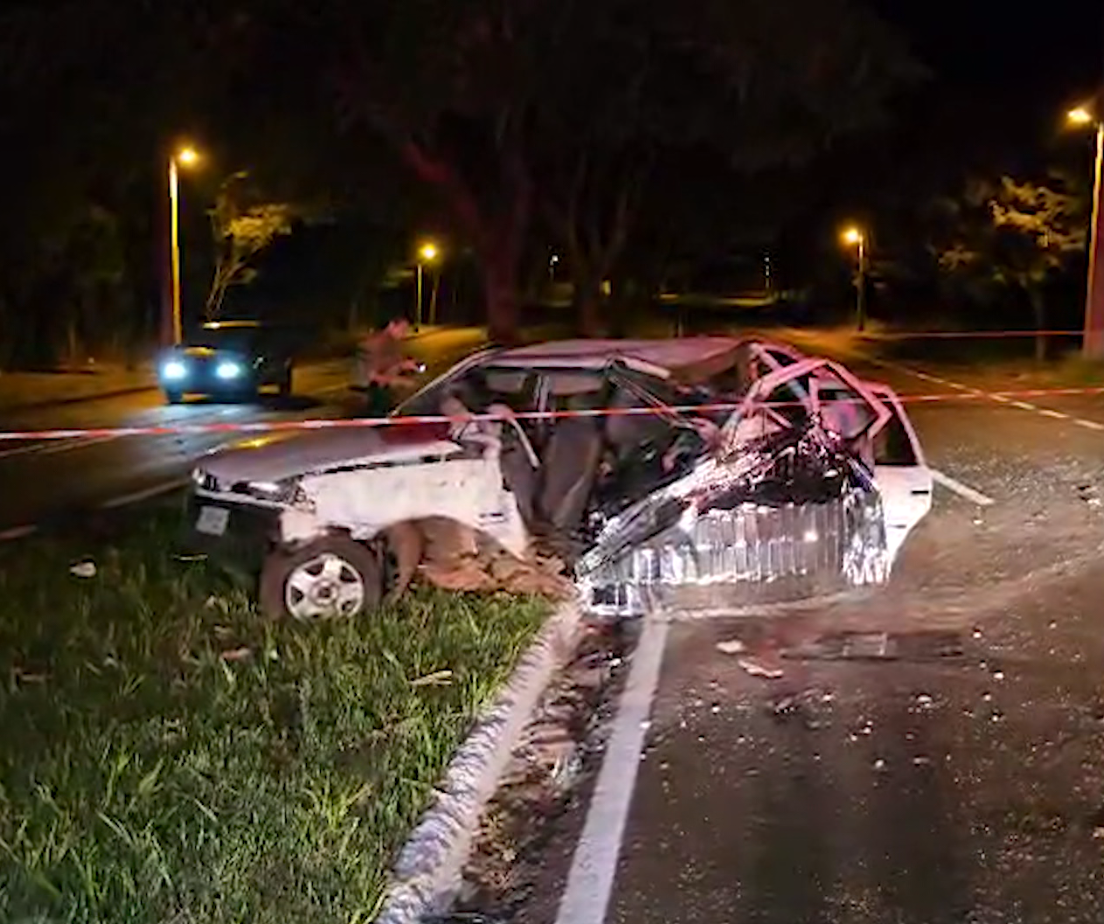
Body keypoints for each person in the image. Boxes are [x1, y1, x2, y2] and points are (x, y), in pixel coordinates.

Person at [355, 316, 423, 416]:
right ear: (391, 325)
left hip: (386, 393)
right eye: (402, 329)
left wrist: (405, 365)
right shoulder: (375, 344)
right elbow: (372, 376)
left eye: (406, 330)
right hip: (374, 396)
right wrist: (399, 381)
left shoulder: (392, 342)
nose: (404, 333)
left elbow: (390, 364)